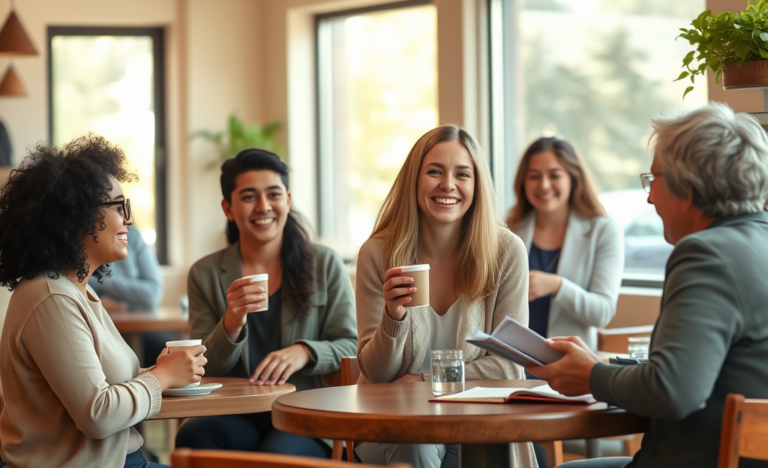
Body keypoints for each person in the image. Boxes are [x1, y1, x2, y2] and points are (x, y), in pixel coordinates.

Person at [528, 102, 768, 468]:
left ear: (687, 186)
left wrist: (592, 375)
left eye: (654, 178)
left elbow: (672, 390)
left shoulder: (706, 254)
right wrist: (603, 365)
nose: (650, 196)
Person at [0, 135, 206, 468]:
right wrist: (161, 378)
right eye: (118, 206)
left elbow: (98, 383)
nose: (128, 220)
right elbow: (98, 414)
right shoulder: (51, 298)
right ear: (77, 215)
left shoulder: (77, 290)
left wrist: (160, 370)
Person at [354, 124, 537, 468]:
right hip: (394, 421)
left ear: (477, 186)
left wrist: (425, 380)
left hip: (476, 419)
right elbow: (377, 376)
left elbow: (510, 365)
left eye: (462, 174)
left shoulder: (506, 252)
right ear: (414, 180)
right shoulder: (377, 253)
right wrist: (393, 317)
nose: (448, 185)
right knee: (415, 446)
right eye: (435, 172)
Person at [175, 149, 357, 458]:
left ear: (288, 200)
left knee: (276, 456)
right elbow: (204, 369)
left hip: (304, 410)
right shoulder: (205, 273)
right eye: (249, 197)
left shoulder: (324, 263)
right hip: (236, 412)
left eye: (273, 195)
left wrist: (305, 351)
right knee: (193, 435)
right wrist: (232, 322)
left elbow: (350, 346)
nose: (263, 207)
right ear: (228, 208)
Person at [508, 136, 623, 351]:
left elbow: (603, 312)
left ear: (573, 178)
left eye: (554, 175)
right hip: (513, 359)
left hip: (568, 362)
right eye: (534, 176)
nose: (544, 185)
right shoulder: (508, 229)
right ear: (523, 182)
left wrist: (557, 286)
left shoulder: (603, 231)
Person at [89, 223, 169, 367]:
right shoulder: (85, 239)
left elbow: (152, 293)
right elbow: (76, 286)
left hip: (141, 326)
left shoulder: (134, 237)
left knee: (166, 349)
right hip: (98, 326)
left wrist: (100, 280)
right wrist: (97, 300)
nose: (128, 219)